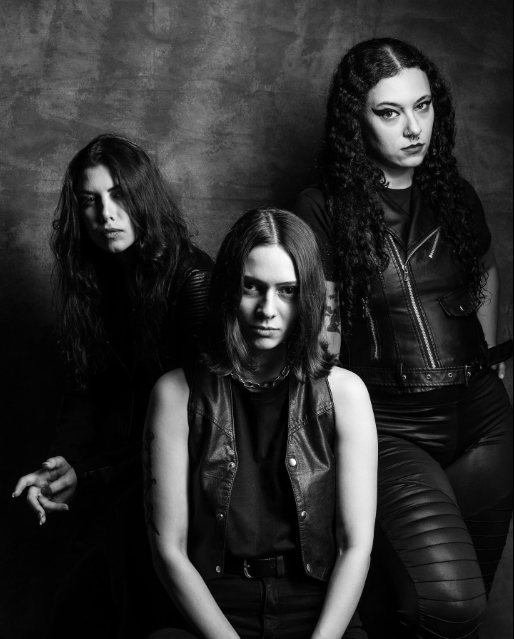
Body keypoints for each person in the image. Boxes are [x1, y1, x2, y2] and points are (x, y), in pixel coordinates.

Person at [294, 37, 513, 639]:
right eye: (389, 112)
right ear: (356, 121)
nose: (413, 128)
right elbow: (323, 343)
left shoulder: (454, 194)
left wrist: (486, 359)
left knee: (454, 616)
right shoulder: (321, 208)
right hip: (391, 429)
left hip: (486, 425)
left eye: (423, 106)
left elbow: (485, 270)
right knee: (448, 602)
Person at [142, 207, 377, 639]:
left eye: (287, 291)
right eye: (252, 287)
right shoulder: (176, 394)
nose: (268, 309)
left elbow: (355, 546)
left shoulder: (345, 395)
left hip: (318, 606)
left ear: (307, 297)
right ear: (228, 289)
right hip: (214, 607)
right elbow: (169, 550)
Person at [12, 133, 213, 637]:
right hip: (119, 477)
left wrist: (91, 475)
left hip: (183, 485)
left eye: (118, 195)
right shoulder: (94, 282)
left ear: (142, 198)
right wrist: (59, 465)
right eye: (90, 201)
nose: (106, 213)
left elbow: (199, 427)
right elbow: (85, 390)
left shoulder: (192, 281)